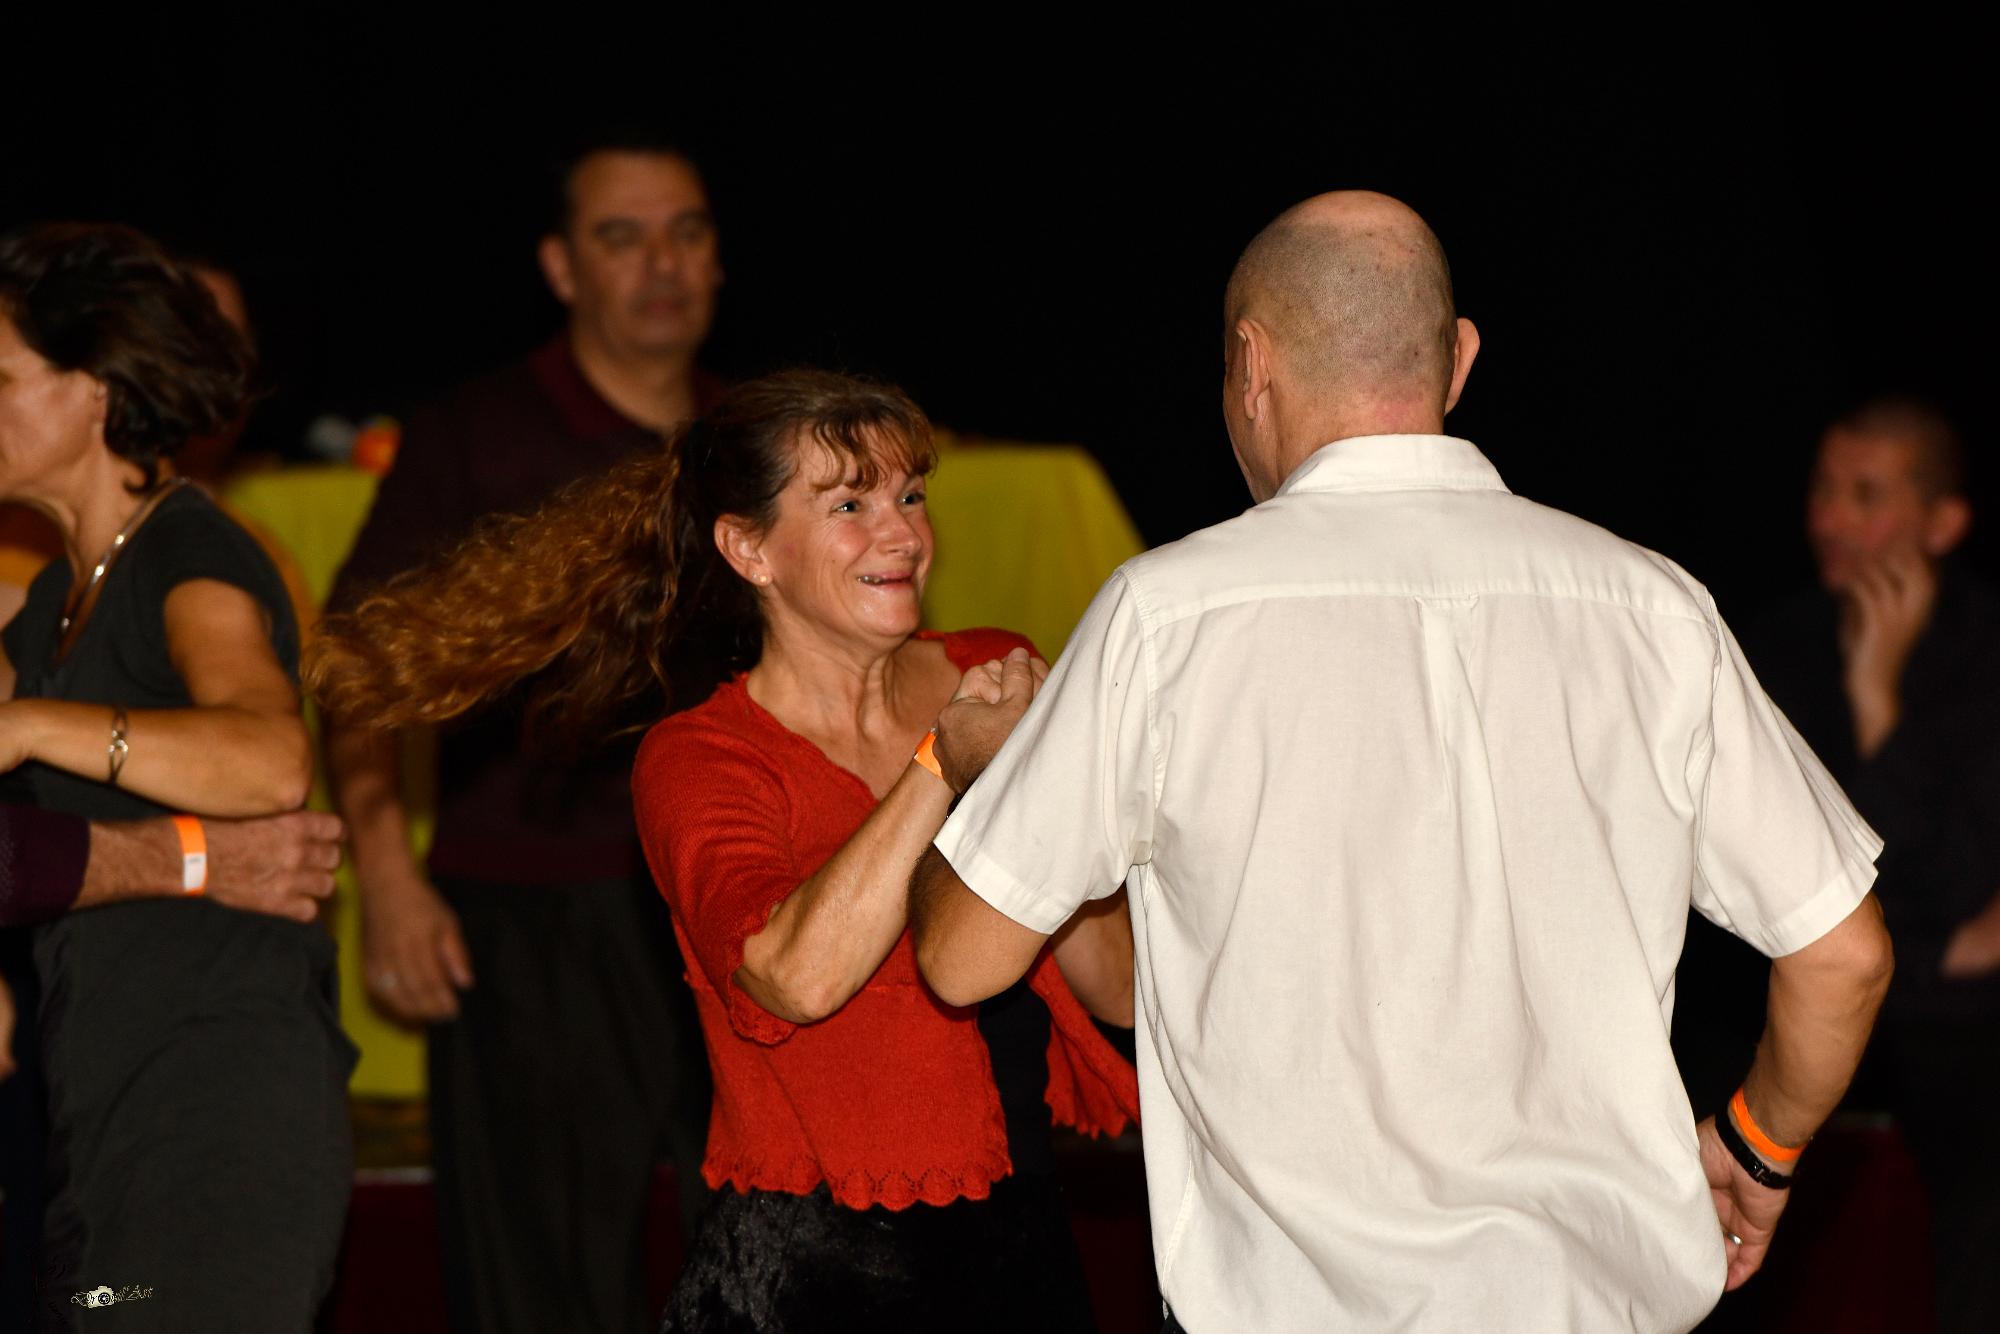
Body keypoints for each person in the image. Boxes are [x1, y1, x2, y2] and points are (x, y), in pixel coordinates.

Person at [908, 191, 1896, 1334]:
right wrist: (1757, 1145)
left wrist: (966, 761)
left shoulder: (1166, 616)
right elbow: (1843, 952)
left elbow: (961, 959)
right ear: (1458, 358)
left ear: (1249, 363)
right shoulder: (1649, 607)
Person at [309, 369, 1139, 1332]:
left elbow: (1117, 987)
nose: (903, 534)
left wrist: (1048, 787)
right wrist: (941, 767)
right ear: (750, 549)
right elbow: (794, 977)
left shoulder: (991, 669)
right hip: (810, 1287)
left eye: (910, 495)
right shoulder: (699, 758)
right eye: (850, 505)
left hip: (1024, 1257)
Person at [323, 129, 724, 1333]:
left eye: (686, 232)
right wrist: (389, 874)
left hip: (737, 898)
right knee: (541, 1280)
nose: (661, 263)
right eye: (622, 237)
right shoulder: (477, 433)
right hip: (534, 903)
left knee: (762, 1254)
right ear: (561, 266)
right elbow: (357, 662)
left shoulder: (750, 436)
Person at [0, 222, 352, 1331]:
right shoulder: (52, 598)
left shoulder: (191, 553)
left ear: (97, 392)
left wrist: (34, 726)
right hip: (108, 1104)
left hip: (217, 1103)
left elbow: (270, 757)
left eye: (0, 378)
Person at [1717, 398, 2000, 1331]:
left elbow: (1956, 883)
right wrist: (1944, 951)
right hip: (1798, 1015)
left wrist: (1879, 703)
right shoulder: (1771, 648)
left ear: (1943, 523)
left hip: (1951, 1044)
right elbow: (1769, 901)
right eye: (1824, 489)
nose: (1830, 518)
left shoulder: (1985, 647)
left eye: (1866, 495)